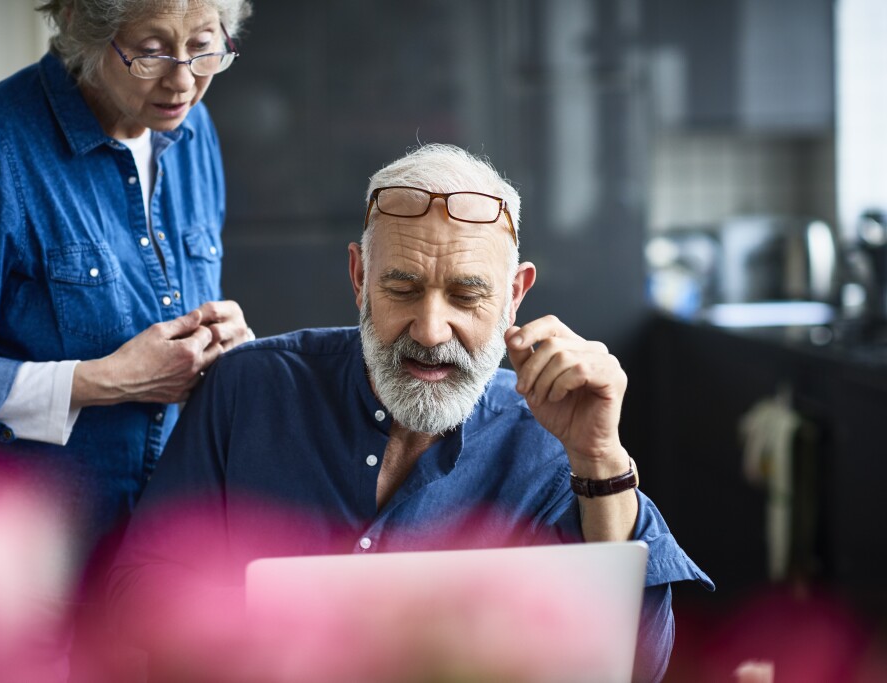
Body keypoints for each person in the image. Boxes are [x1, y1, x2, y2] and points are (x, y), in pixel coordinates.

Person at [107, 143, 713, 683]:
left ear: (514, 296)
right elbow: (136, 591)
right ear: (359, 278)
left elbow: (639, 662)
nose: (430, 329)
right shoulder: (248, 389)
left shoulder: (550, 436)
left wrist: (599, 457)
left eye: (467, 295)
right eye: (401, 289)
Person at [0, 0, 254, 563]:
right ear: (79, 23)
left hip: (139, 546)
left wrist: (223, 347)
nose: (183, 82)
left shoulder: (194, 130)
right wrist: (100, 381)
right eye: (150, 52)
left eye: (203, 48)